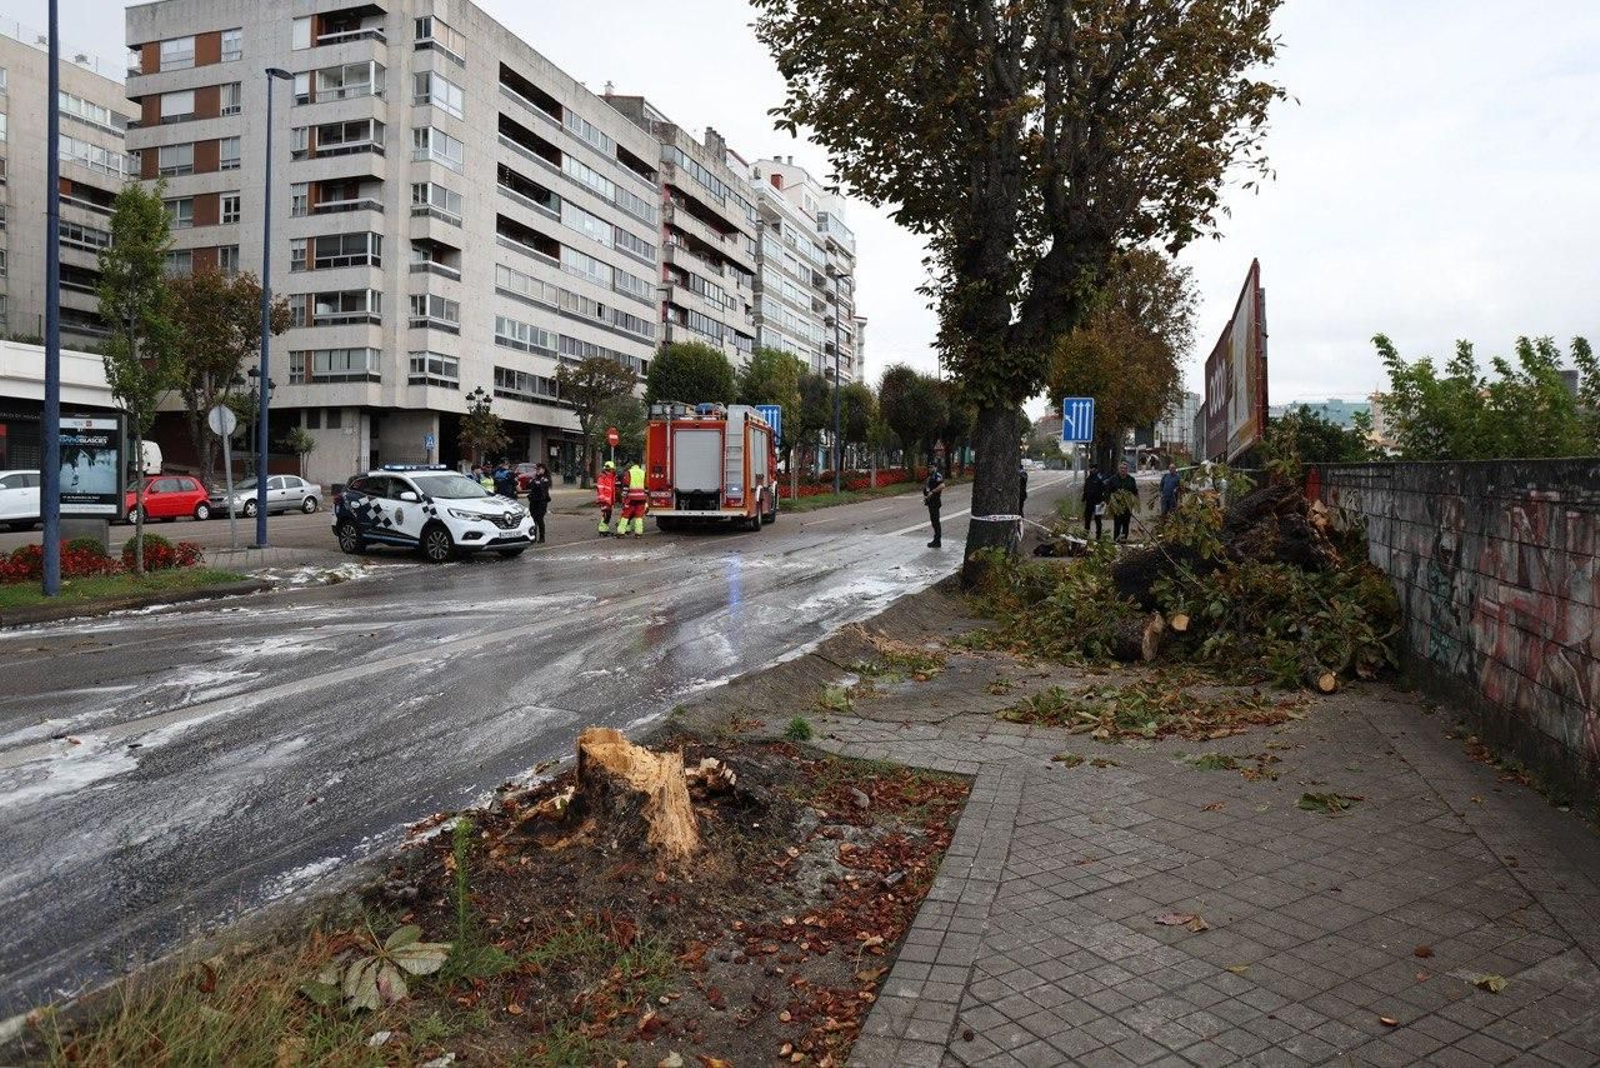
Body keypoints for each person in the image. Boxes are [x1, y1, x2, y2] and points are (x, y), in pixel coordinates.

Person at [618, 460, 648, 538]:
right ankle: (638, 533)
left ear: (631, 466)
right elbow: (646, 486)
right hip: (641, 498)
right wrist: (646, 496)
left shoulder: (629, 472)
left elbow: (626, 486)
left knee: (625, 515)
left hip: (631, 498)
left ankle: (621, 532)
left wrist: (623, 496)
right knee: (639, 516)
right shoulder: (643, 473)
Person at [1110, 461, 1138, 542]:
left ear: (1127, 470)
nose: (1123, 470)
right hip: (1116, 506)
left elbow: (1135, 492)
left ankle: (1123, 541)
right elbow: (1108, 491)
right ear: (1119, 469)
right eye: (1121, 468)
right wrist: (1109, 502)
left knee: (1126, 525)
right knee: (1117, 525)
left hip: (1127, 506)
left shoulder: (1131, 480)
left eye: (1125, 468)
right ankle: (1116, 541)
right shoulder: (1113, 479)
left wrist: (1136, 504)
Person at [527, 462, 552, 543]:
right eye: (536, 469)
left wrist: (536, 483)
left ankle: (542, 537)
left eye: (539, 469)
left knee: (539, 519)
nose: (537, 470)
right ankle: (533, 537)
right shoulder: (535, 478)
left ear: (543, 470)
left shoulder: (546, 479)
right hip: (533, 501)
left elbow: (542, 486)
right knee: (532, 519)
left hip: (542, 501)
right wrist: (535, 482)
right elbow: (530, 485)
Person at [923, 463, 945, 548]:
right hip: (930, 501)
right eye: (929, 467)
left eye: (931, 467)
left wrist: (932, 492)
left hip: (935, 501)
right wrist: (926, 495)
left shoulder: (937, 475)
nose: (930, 469)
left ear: (935, 467)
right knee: (934, 521)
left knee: (936, 521)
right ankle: (936, 540)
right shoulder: (930, 477)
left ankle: (937, 541)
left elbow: (942, 485)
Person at [1081, 464, 1105, 540]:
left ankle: (1098, 536)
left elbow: (1104, 491)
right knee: (1087, 519)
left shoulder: (1099, 479)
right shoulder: (1088, 479)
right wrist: (1083, 499)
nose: (1091, 470)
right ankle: (1085, 534)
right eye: (1090, 469)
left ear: (1096, 470)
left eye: (1093, 469)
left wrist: (1103, 501)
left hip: (1098, 503)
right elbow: (1085, 490)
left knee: (1098, 520)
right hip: (1089, 503)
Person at [595, 460, 618, 536]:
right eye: (612, 469)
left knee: (608, 514)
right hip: (605, 500)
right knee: (606, 514)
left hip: (609, 499)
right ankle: (602, 530)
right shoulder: (603, 477)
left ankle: (604, 529)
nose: (613, 470)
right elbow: (600, 488)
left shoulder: (611, 477)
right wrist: (602, 499)